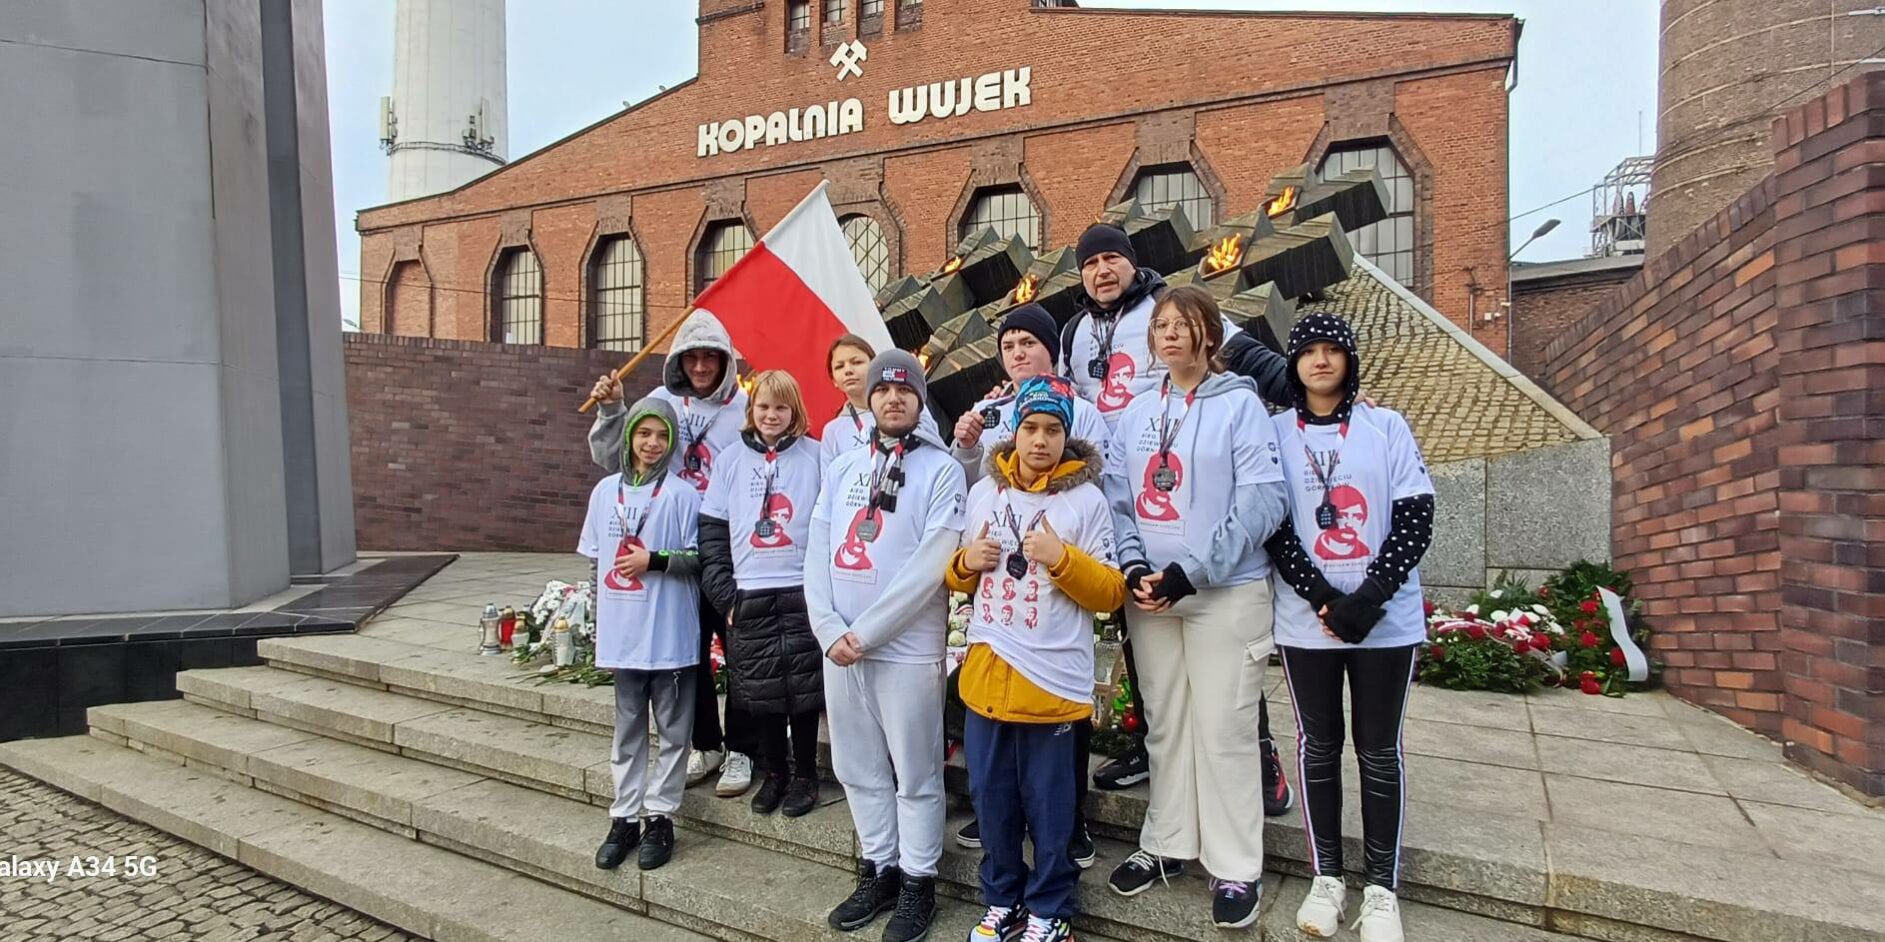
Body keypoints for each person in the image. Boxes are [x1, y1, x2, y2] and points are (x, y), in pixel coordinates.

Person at [1063, 224, 1294, 821]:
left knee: (1225, 669)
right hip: (1122, 490)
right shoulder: (1073, 329)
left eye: (1111, 258)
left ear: (1131, 262)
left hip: (1193, 479)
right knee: (1146, 647)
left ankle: (1260, 753)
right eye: (1090, 263)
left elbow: (1248, 357)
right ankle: (1149, 745)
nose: (1101, 271)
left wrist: (1317, 393)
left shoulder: (1171, 309)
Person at [1099, 285, 1289, 930]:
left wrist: (1192, 572)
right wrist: (1133, 567)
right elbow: (1119, 499)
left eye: (1184, 324)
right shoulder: (1136, 412)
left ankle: (1235, 865)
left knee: (1224, 729)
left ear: (1210, 334)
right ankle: (1166, 842)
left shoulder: (1241, 405)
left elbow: (1263, 501)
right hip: (1152, 596)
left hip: (1223, 594)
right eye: (1161, 326)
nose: (1170, 334)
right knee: (1166, 725)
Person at [1264, 314, 1435, 942]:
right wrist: (1324, 598)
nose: (1321, 360)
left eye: (1332, 350)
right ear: (1294, 363)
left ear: (1350, 360)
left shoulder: (1385, 427)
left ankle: (1382, 888)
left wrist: (1368, 597)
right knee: (1318, 745)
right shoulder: (1274, 432)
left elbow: (1415, 516)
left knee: (1379, 749)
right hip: (1306, 620)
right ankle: (1328, 877)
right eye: (1308, 350)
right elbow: (1275, 523)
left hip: (1385, 621)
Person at [945, 376, 1124, 942]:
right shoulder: (984, 492)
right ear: (1014, 432)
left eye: (1052, 429)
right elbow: (956, 576)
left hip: (1051, 683)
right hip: (987, 676)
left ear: (1066, 436)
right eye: (1030, 428)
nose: (1040, 440)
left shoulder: (1087, 501)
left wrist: (1062, 559)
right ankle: (1002, 900)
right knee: (991, 800)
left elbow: (1111, 591)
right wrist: (965, 562)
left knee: (1050, 809)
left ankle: (1050, 909)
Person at [807, 351, 967, 942]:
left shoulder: (942, 470)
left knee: (916, 771)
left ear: (920, 399)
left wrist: (867, 632)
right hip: (841, 648)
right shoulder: (843, 466)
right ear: (869, 399)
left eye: (905, 390)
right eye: (883, 390)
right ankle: (880, 867)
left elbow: (931, 564)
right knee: (856, 766)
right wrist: (827, 627)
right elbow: (817, 549)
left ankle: (918, 882)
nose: (893, 398)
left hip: (904, 649)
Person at [948, 303, 1108, 868]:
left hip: (1060, 591)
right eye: (1009, 345)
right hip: (1001, 602)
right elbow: (971, 494)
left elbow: (1094, 487)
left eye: (1028, 343)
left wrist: (1066, 556)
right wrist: (968, 444)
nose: (1018, 353)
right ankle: (1001, 817)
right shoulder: (991, 409)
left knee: (1061, 721)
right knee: (996, 728)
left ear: (1051, 350)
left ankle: (1069, 821)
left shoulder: (1083, 414)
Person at [590, 310, 757, 800]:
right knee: (688, 651)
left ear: (725, 361)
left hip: (727, 545)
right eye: (692, 357)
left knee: (738, 647)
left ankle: (742, 748)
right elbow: (616, 459)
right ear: (679, 361)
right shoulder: (661, 401)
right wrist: (612, 411)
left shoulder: (745, 407)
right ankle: (705, 742)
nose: (701, 367)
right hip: (670, 544)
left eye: (710, 357)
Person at [580, 397, 704, 873]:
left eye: (661, 435)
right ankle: (625, 816)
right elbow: (596, 561)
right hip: (624, 635)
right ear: (630, 435)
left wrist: (654, 560)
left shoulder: (683, 494)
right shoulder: (604, 492)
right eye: (644, 433)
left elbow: (701, 558)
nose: (652, 443)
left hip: (669, 634)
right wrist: (599, 626)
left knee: (673, 732)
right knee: (628, 730)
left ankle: (661, 816)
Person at [699, 370, 826, 819]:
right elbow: (712, 534)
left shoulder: (816, 456)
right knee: (763, 694)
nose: (771, 415)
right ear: (751, 410)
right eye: (763, 406)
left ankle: (806, 776)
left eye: (781, 407)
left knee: (805, 693)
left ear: (795, 411)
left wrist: (824, 591)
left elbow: (830, 523)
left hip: (802, 591)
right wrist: (725, 596)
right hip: (748, 594)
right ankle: (774, 774)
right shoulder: (730, 460)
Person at [819, 333, 941, 472]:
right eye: (839, 366)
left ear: (874, 367)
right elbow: (830, 480)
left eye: (857, 362)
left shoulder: (908, 406)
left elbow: (934, 447)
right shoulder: (833, 431)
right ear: (834, 380)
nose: (848, 371)